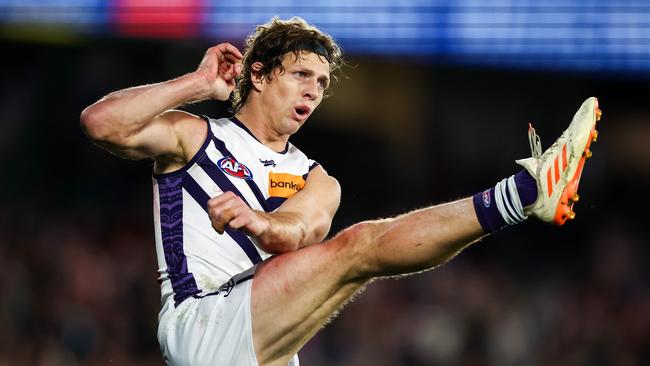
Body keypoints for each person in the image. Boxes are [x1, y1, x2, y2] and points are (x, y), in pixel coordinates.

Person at [80, 16, 601, 366]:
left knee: (358, 251)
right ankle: (525, 193)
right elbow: (100, 122)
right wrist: (197, 86)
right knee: (361, 248)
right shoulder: (195, 136)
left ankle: (526, 195)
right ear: (257, 76)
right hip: (205, 322)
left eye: (322, 83)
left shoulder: (316, 177)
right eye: (301, 74)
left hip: (266, 347)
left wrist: (263, 223)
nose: (313, 90)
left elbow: (301, 231)